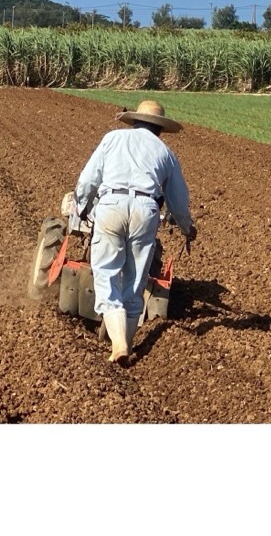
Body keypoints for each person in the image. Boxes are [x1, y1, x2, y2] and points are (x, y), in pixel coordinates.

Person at [72, 98, 196, 364]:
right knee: (136, 280)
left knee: (105, 273)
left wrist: (81, 208)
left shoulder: (112, 139)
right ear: (160, 129)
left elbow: (88, 179)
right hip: (146, 209)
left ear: (135, 121)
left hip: (112, 205)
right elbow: (178, 200)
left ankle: (118, 346)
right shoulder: (165, 153)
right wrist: (186, 227)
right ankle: (125, 343)